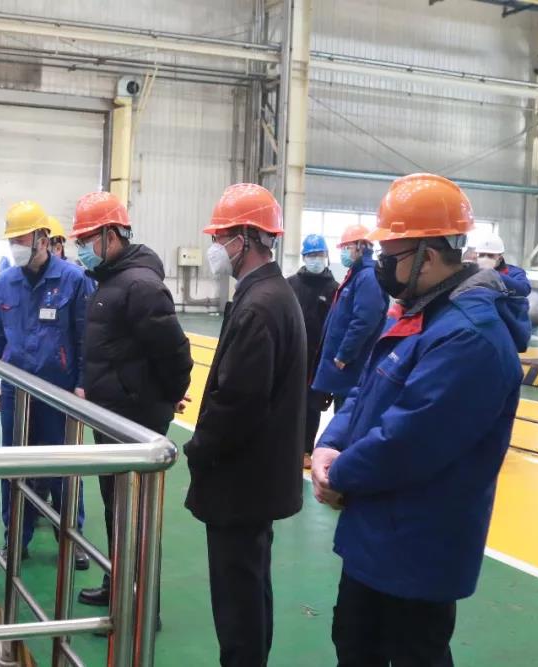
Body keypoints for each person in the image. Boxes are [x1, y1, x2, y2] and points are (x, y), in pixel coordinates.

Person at [311, 173, 531, 666]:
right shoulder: (418, 314)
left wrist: (339, 475)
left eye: (390, 255)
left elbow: (408, 439)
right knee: (354, 643)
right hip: (377, 535)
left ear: (427, 257)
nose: (380, 265)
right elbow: (367, 390)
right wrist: (330, 444)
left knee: (413, 653)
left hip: (418, 547)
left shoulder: (469, 338)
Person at [182, 184, 306, 667]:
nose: (215, 246)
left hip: (241, 481)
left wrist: (198, 448)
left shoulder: (260, 306)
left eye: (222, 236)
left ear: (248, 238)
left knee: (238, 600)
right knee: (251, 588)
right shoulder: (271, 294)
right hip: (256, 479)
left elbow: (238, 402)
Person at [70, 191, 193, 608]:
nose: (81, 249)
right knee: (117, 510)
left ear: (111, 235)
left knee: (135, 516)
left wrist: (164, 399)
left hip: (134, 420)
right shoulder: (111, 280)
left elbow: (176, 354)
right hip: (113, 417)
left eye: (86, 239)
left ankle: (141, 607)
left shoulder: (139, 286)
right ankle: (119, 585)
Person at [0, 200, 93, 569]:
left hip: (59, 394)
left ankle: (72, 539)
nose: (15, 245)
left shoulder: (73, 280)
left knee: (63, 468)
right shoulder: (4, 284)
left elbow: (85, 339)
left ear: (43, 240)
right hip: (17, 393)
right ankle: (16, 538)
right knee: (15, 468)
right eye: (12, 239)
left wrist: (82, 384)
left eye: (21, 238)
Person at [312, 223, 388, 412]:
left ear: (361, 246)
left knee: (347, 416)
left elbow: (364, 320)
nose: (344, 252)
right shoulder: (356, 275)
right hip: (344, 371)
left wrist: (344, 354)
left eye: (347, 247)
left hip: (352, 369)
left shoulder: (368, 278)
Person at [288, 234, 339, 467]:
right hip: (292, 353)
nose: (315, 259)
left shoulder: (334, 289)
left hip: (319, 357)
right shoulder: (291, 284)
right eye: (311, 255)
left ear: (326, 256)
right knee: (288, 400)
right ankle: (285, 443)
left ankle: (305, 449)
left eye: (319, 255)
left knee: (313, 405)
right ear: (304, 257)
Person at [475, 232, 531, 297]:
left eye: (490, 256)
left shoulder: (514, 272)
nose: (485, 259)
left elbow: (524, 290)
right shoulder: (473, 273)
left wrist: (496, 275)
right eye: (481, 255)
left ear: (500, 258)